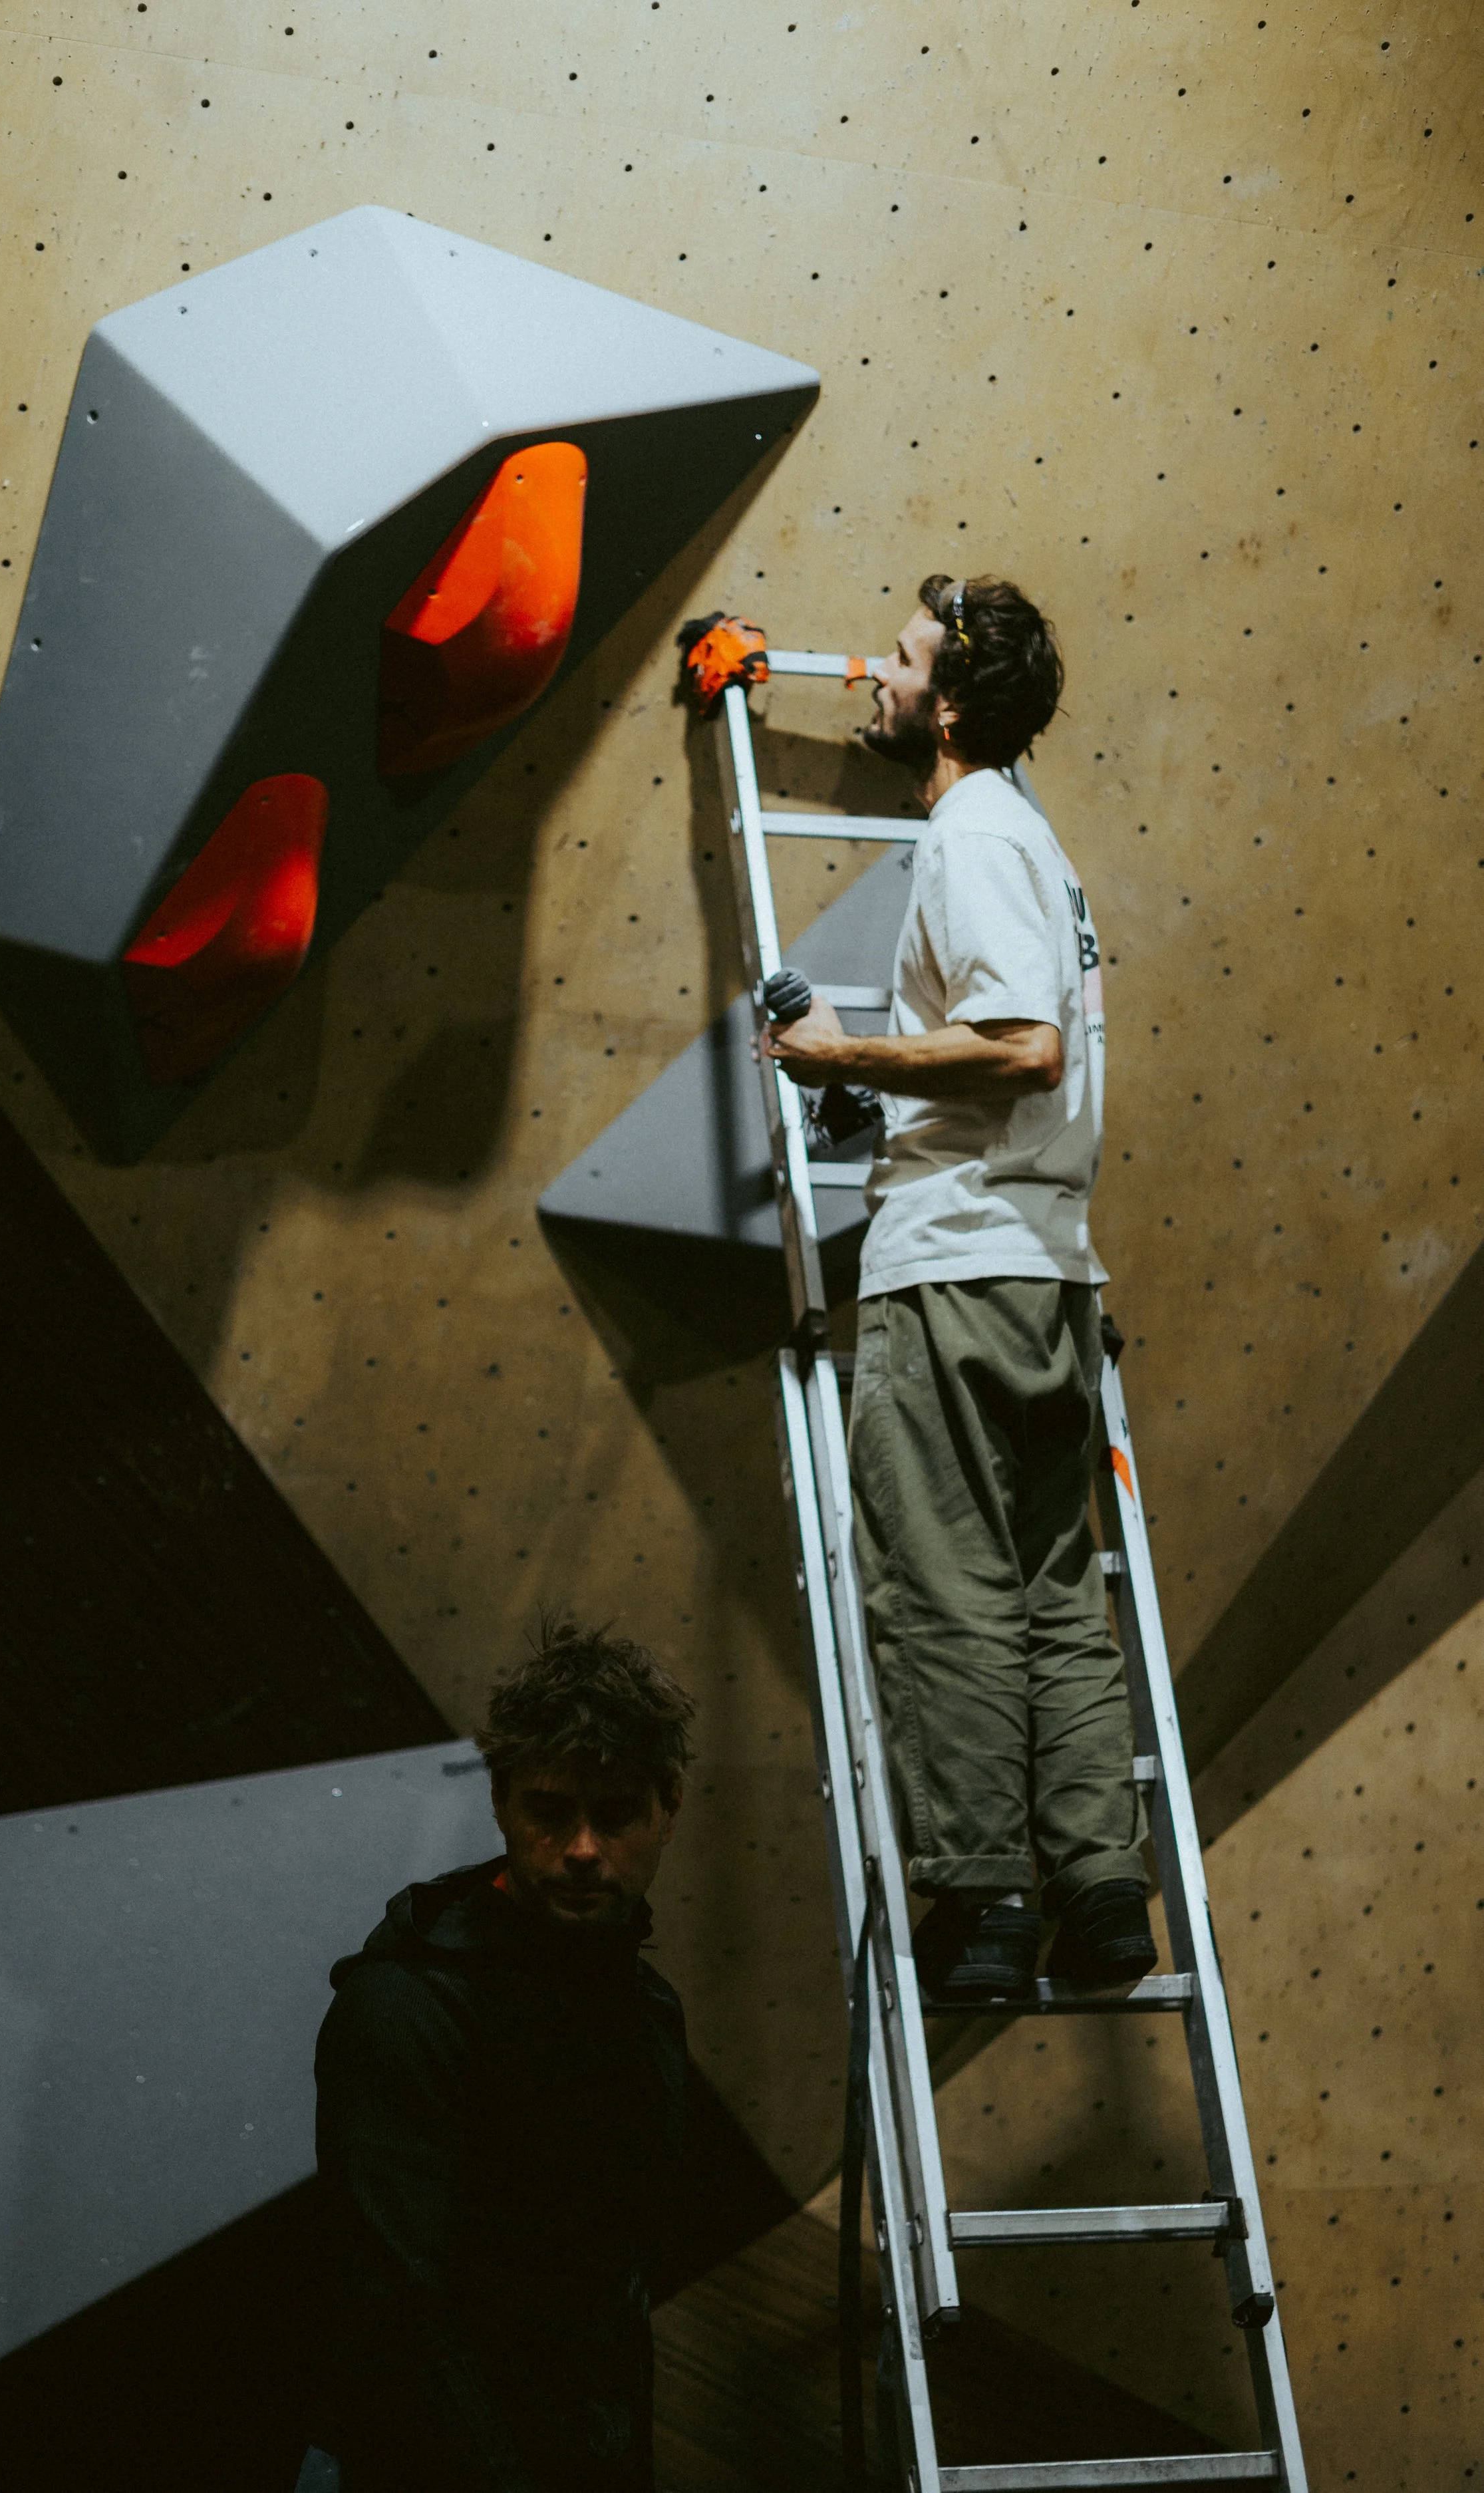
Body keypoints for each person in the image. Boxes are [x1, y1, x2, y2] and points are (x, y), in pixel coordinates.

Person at [764, 573, 1157, 2005]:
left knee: (944, 1587)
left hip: (958, 1265)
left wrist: (840, 1059)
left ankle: (982, 1901)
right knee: (1052, 1591)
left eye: (903, 656)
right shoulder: (1027, 843)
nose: (872, 667)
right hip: (1041, 1270)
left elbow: (1021, 1045)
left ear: (945, 706)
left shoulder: (972, 834)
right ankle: (1101, 1892)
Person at [303, 1618, 694, 2493]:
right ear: (501, 1801)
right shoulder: (406, 2010)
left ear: (670, 1806)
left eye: (617, 1812)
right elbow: (395, 2324)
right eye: (550, 1813)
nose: (584, 1850)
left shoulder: (646, 2009)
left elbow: (613, 2291)